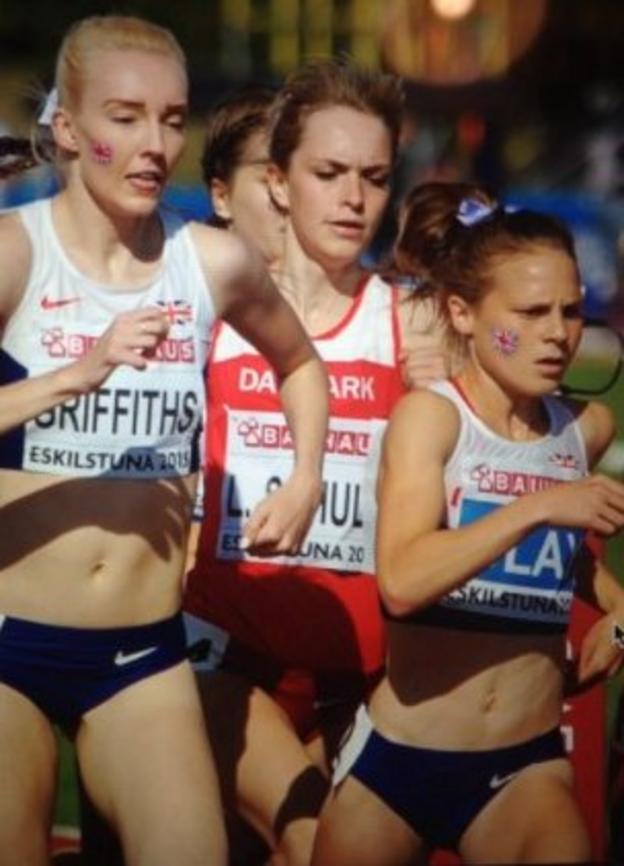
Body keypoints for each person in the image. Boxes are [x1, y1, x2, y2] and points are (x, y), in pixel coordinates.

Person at [0, 14, 329, 866]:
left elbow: (300, 362)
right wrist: (75, 377)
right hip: (9, 641)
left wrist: (304, 478)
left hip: (142, 654)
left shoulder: (212, 262)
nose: (155, 143)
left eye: (173, 119)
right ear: (68, 130)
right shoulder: (13, 252)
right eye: (125, 116)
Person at [183, 62, 454, 866]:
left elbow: (524, 438)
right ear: (278, 180)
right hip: (230, 650)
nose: (353, 199)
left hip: (365, 667)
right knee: (311, 842)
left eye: (374, 177)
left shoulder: (412, 321)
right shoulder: (211, 308)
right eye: (328, 173)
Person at [311, 181, 624, 866]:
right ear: (462, 313)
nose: (557, 334)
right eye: (532, 311)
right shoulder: (433, 419)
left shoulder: (583, 430)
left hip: (526, 767)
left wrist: (619, 613)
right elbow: (402, 579)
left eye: (571, 312)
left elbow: (558, 557)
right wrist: (540, 506)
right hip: (399, 763)